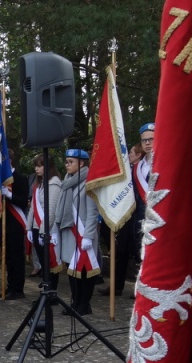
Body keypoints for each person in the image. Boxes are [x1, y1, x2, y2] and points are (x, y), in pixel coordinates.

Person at [102, 123, 153, 297]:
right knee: (139, 253)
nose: (148, 143)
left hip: (157, 217)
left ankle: (147, 287)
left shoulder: (164, 162)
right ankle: (139, 286)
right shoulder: (137, 168)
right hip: (137, 217)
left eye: (151, 139)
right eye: (144, 140)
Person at [53, 149, 98, 316]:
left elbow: (93, 212)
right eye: (66, 161)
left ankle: (84, 304)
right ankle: (75, 302)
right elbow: (59, 208)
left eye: (70, 162)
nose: (67, 165)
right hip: (69, 232)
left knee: (85, 271)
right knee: (72, 271)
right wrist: (54, 230)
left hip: (83, 233)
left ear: (81, 163)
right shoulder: (67, 181)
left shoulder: (89, 182)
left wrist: (88, 236)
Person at [0, 150, 31, 300]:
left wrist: (9, 195)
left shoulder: (20, 178)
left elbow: (23, 202)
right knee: (6, 258)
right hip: (2, 223)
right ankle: (9, 286)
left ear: (9, 162)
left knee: (16, 257)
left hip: (15, 224)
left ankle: (18, 289)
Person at [27, 154, 63, 290]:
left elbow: (51, 211)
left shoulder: (54, 183)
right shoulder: (39, 183)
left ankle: (51, 292)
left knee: (50, 263)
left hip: (47, 230)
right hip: (36, 228)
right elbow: (33, 208)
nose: (36, 169)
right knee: (43, 262)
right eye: (35, 165)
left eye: (40, 165)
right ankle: (46, 291)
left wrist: (43, 231)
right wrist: (29, 228)